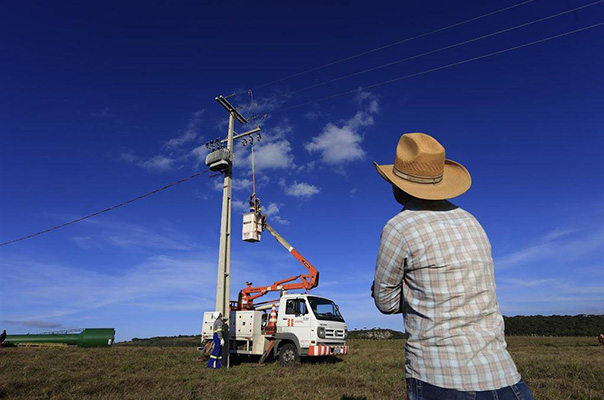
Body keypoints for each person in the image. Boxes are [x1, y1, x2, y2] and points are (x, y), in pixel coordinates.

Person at [372, 133, 534, 400]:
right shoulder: (473, 221)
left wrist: (414, 293)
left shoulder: (398, 227)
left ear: (397, 186)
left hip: (440, 378)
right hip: (505, 376)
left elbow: (386, 303)